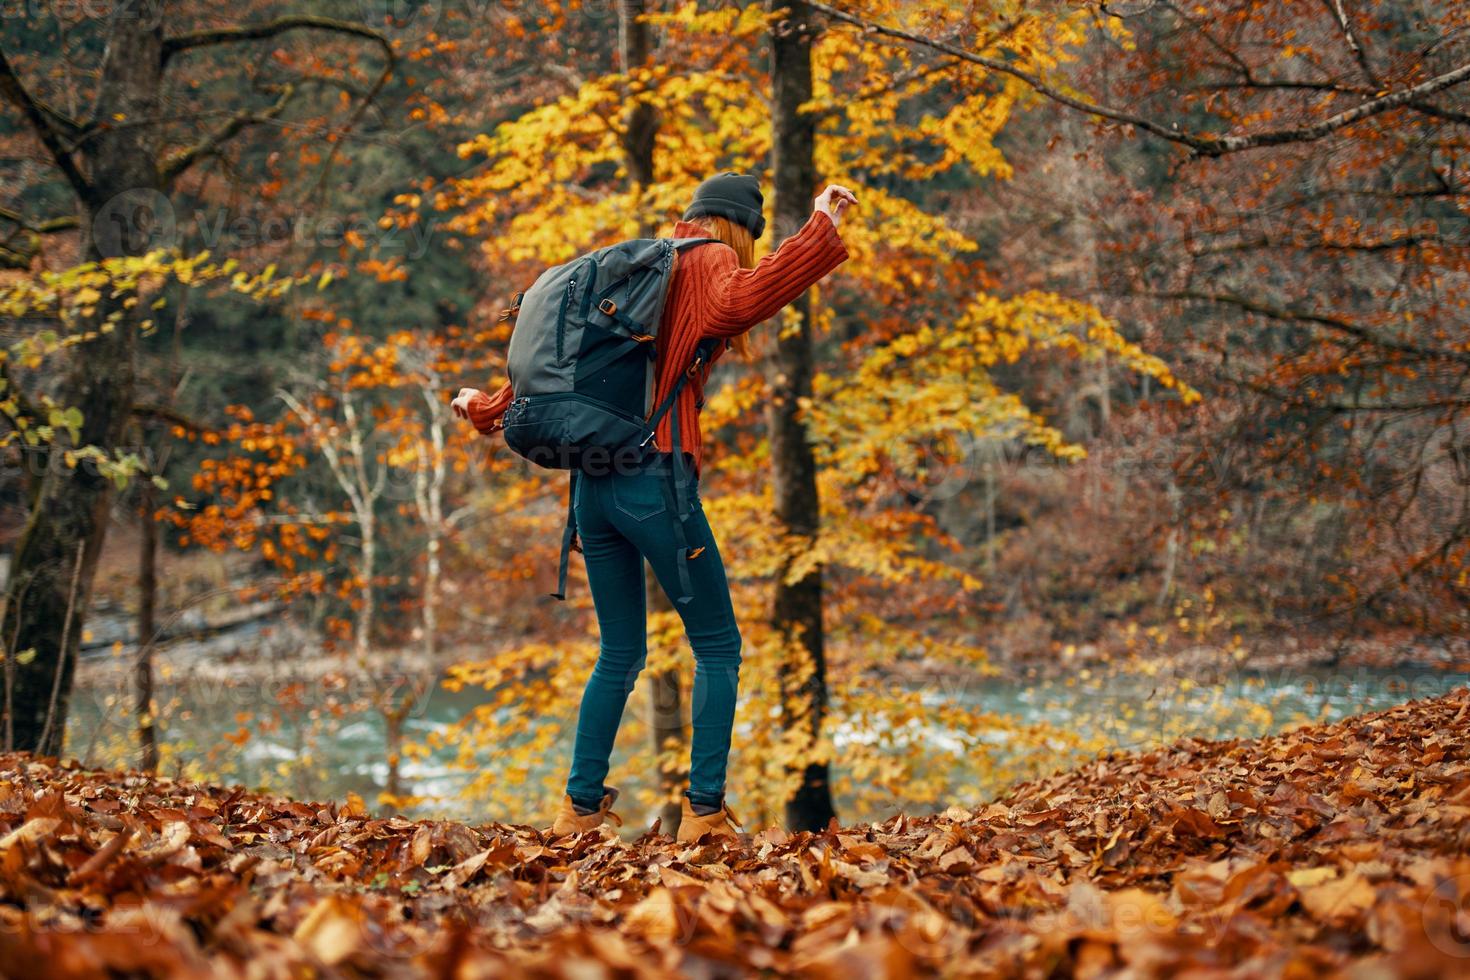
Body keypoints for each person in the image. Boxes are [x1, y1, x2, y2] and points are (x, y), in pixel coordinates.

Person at [452, 173, 856, 840]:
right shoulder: (708, 261)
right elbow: (741, 302)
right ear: (736, 230)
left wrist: (486, 409)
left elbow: (566, 369)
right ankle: (704, 814)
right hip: (652, 482)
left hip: (592, 488)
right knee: (720, 648)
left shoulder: (635, 270)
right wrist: (818, 233)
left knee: (619, 651)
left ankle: (577, 812)